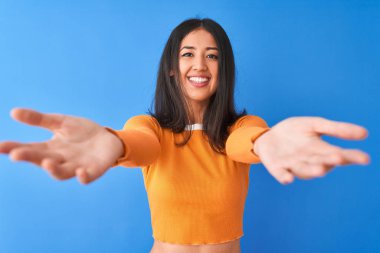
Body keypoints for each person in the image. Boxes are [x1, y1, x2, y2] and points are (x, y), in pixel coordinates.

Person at [0, 18, 370, 253]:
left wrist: (268, 141)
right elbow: (138, 144)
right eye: (188, 54)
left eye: (212, 56)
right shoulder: (151, 130)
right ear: (173, 70)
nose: (199, 64)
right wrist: (114, 143)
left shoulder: (239, 130)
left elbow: (248, 141)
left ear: (223, 70)